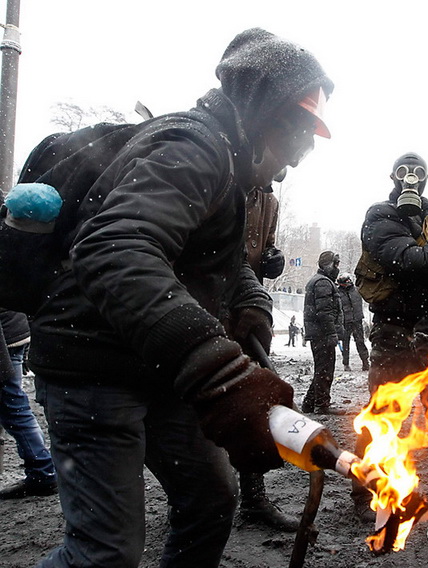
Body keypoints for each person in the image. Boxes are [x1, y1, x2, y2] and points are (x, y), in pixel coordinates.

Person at [27, 28, 333, 567]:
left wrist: (250, 301)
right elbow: (115, 247)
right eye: (298, 141)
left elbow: (213, 259)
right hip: (93, 366)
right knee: (104, 553)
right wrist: (217, 371)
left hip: (155, 363)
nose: (294, 163)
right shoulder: (193, 147)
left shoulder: (230, 170)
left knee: (211, 501)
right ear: (267, 116)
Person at [350, 152, 428, 522]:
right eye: (404, 172)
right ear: (393, 177)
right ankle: (367, 492)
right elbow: (405, 259)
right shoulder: (380, 216)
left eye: (418, 173)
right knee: (383, 416)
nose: (411, 179)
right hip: (394, 334)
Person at [235, 176, 299, 532]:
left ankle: (254, 498)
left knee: (251, 406)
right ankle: (188, 499)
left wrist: (273, 259)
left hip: (250, 311)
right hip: (208, 307)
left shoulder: (270, 201)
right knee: (195, 403)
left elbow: (264, 246)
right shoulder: (225, 179)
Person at [0, 309, 57, 499]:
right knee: (13, 408)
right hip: (13, 331)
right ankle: (42, 471)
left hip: (5, 340)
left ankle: (42, 471)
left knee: (13, 408)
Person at [300, 251, 346, 415]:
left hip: (319, 334)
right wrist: (332, 334)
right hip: (322, 335)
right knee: (325, 370)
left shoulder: (321, 281)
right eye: (336, 264)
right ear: (329, 265)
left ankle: (309, 403)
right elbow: (325, 312)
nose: (337, 269)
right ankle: (321, 404)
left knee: (322, 369)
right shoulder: (323, 283)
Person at [336, 272, 370, 372]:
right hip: (345, 321)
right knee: (345, 343)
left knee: (360, 341)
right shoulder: (338, 293)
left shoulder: (357, 290)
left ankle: (365, 362)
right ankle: (346, 363)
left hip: (357, 320)